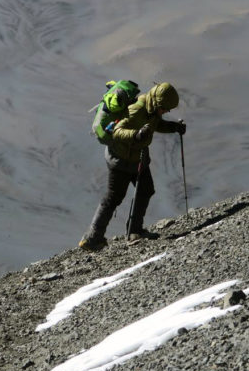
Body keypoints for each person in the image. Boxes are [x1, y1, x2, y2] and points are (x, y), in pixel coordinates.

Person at [79, 82, 186, 251]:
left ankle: (134, 231)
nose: (166, 112)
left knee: (146, 190)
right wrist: (136, 135)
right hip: (121, 160)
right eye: (165, 108)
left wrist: (174, 127)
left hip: (138, 159)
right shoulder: (137, 109)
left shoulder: (151, 110)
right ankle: (93, 238)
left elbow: (155, 124)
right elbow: (117, 130)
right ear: (158, 103)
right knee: (114, 197)